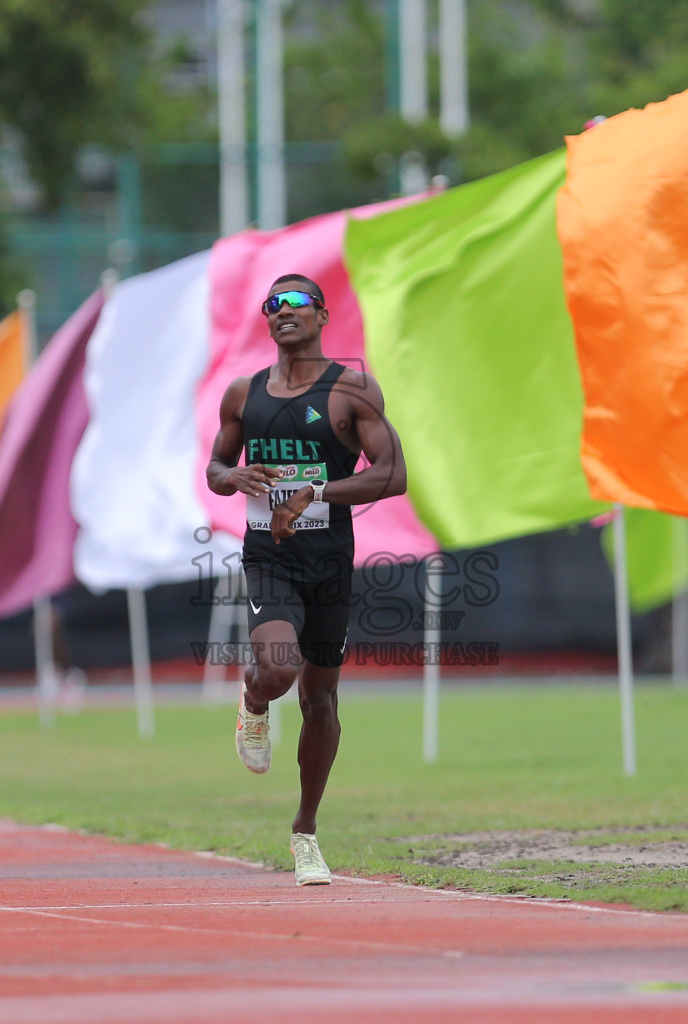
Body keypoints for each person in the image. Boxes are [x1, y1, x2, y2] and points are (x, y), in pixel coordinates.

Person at [206, 274, 408, 885]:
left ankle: (306, 832)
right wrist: (234, 478)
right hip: (270, 558)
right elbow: (216, 467)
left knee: (320, 700)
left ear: (321, 314)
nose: (283, 311)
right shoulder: (242, 394)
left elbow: (392, 475)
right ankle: (253, 698)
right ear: (266, 321)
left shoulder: (353, 389)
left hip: (329, 561)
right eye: (272, 304)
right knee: (279, 668)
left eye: (295, 302)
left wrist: (313, 491)